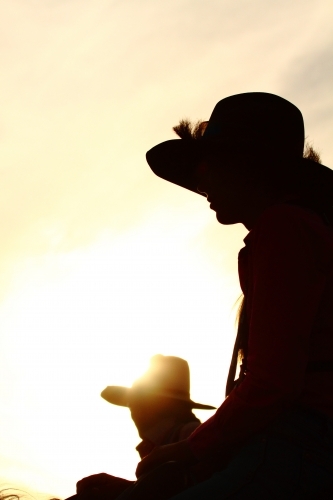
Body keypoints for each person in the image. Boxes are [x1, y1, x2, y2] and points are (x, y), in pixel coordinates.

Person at [137, 93, 333, 499]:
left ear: (249, 167)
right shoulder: (290, 229)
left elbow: (273, 383)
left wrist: (190, 449)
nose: (200, 180)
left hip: (300, 442)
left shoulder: (285, 227)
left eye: (209, 165)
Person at [75, 355, 215, 500]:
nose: (134, 413)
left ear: (163, 405)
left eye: (138, 403)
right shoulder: (169, 437)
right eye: (132, 404)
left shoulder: (191, 435)